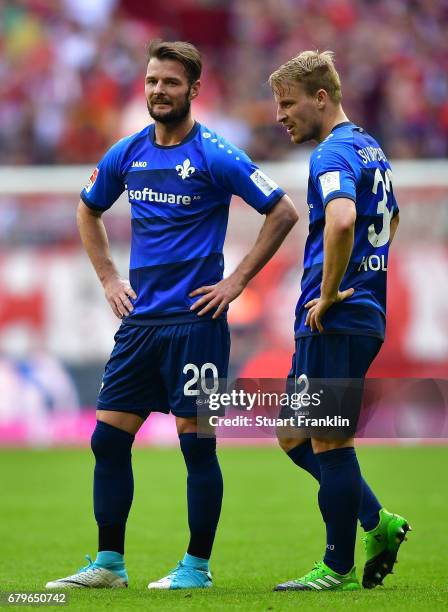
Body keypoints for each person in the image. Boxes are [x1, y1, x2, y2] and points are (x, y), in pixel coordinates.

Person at [45, 40, 298, 590]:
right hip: (140, 326)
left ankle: (197, 568)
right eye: (153, 81)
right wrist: (110, 278)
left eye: (171, 83)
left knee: (196, 445)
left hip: (197, 325)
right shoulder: (127, 153)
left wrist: (236, 282)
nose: (159, 91)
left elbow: (282, 210)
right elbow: (88, 209)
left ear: (195, 91)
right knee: (108, 441)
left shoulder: (217, 154)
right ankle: (109, 564)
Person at [268, 50, 410, 592]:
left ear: (321, 98)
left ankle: (338, 568)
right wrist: (367, 277)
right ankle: (379, 522)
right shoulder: (371, 147)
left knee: (329, 440)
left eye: (288, 103)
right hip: (361, 311)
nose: (281, 115)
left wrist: (328, 294)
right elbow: (392, 218)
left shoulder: (331, 154)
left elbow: (344, 218)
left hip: (335, 317)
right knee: (292, 434)